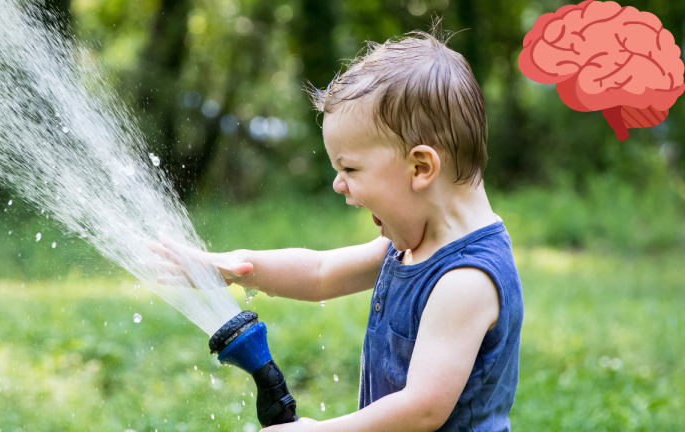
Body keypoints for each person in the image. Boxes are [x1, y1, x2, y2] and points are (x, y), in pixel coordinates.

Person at [150, 29, 523, 432]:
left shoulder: (465, 280)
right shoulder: (409, 248)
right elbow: (320, 272)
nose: (338, 184)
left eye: (350, 169)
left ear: (420, 168)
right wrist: (238, 267)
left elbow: (423, 409)